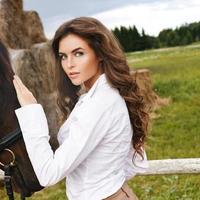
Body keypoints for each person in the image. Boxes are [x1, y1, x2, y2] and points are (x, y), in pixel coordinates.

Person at [12, 17, 149, 200]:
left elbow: (48, 174)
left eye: (78, 53)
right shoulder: (100, 96)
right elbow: (129, 163)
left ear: (100, 53)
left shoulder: (100, 104)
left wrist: (31, 111)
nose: (69, 64)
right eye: (63, 56)